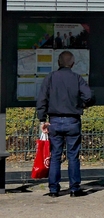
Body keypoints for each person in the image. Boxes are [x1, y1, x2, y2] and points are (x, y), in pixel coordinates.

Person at [36, 51, 94, 197]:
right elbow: (89, 96)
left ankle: (54, 190)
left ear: (58, 63)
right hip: (73, 121)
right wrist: (82, 105)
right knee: (73, 155)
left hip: (54, 121)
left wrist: (42, 119)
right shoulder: (77, 78)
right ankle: (74, 189)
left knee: (55, 155)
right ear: (73, 63)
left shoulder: (50, 78)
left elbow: (42, 99)